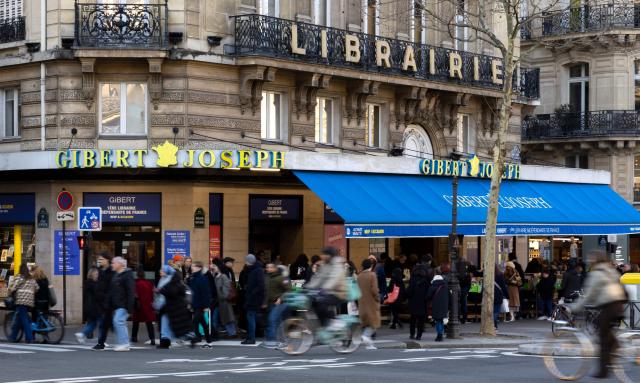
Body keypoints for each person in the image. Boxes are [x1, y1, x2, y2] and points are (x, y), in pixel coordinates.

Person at [569, 251, 627, 379]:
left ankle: (603, 371)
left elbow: (589, 295)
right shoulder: (611, 270)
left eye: (591, 258)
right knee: (606, 332)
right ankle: (615, 344)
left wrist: (574, 308)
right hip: (619, 306)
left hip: (608, 307)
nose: (589, 260)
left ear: (596, 260)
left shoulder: (595, 274)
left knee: (602, 338)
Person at [305, 247, 347, 329]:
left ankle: (334, 321)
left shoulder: (337, 264)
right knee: (314, 302)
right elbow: (318, 278)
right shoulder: (324, 265)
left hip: (338, 293)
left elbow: (334, 278)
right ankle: (324, 326)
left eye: (325, 254)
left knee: (322, 303)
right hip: (327, 292)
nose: (322, 256)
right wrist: (307, 287)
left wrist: (324, 288)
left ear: (330, 255)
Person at [157, 265, 193, 349]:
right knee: (167, 323)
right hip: (167, 305)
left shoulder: (169, 280)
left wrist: (161, 292)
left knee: (169, 323)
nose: (160, 271)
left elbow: (170, 292)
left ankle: (167, 341)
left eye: (162, 270)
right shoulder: (163, 279)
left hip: (170, 305)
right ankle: (166, 340)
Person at [109, 256, 135, 351]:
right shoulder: (117, 275)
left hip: (123, 304)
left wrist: (130, 307)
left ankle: (124, 343)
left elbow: (130, 291)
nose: (112, 264)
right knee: (120, 322)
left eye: (113, 263)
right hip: (118, 304)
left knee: (118, 321)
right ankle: (124, 342)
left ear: (120, 264)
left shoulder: (127, 275)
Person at [8, 264, 39, 343]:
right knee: (19, 318)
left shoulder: (19, 277)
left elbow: (13, 287)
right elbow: (37, 288)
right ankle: (12, 337)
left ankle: (30, 338)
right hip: (30, 302)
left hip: (21, 301)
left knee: (24, 320)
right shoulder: (31, 278)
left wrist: (10, 293)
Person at [262, 262, 290, 348]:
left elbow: (289, 289)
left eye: (270, 267)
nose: (268, 269)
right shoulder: (267, 277)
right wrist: (265, 303)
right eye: (267, 267)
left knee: (272, 319)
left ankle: (272, 341)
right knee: (278, 322)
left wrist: (281, 298)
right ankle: (283, 340)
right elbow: (266, 292)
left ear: (275, 269)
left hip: (280, 303)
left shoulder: (281, 278)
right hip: (271, 303)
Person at [188, 261, 215, 348]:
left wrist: (206, 306)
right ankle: (209, 341)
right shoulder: (193, 278)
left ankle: (196, 338)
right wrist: (190, 304)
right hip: (195, 304)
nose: (192, 267)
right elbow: (191, 292)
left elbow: (206, 293)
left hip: (201, 305)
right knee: (203, 323)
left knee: (195, 321)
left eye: (193, 266)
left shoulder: (202, 278)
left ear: (199, 268)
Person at [92, 252, 114, 351]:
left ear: (107, 260)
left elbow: (111, 287)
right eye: (99, 259)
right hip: (100, 301)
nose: (99, 261)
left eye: (101, 259)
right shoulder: (100, 270)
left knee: (104, 324)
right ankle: (101, 343)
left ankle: (101, 343)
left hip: (108, 301)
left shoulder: (111, 271)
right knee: (106, 323)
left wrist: (106, 298)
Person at [242, 254, 265, 345]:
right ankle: (249, 337)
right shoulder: (254, 269)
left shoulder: (257, 270)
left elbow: (260, 285)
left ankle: (251, 338)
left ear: (249, 261)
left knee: (250, 317)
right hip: (251, 298)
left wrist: (252, 292)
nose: (245, 262)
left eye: (246, 261)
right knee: (250, 317)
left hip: (254, 299)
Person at [209, 262, 236, 338]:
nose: (213, 267)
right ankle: (215, 334)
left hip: (223, 301)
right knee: (216, 318)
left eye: (215, 266)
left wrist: (222, 295)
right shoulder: (215, 275)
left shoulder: (223, 276)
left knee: (227, 317)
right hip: (217, 301)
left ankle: (232, 333)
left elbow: (226, 289)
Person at [357, 259, 380, 349]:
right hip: (371, 303)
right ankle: (365, 336)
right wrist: (378, 298)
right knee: (374, 323)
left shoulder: (359, 276)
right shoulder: (372, 275)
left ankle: (369, 344)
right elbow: (374, 290)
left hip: (362, 302)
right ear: (371, 266)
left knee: (366, 323)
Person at [76, 268, 101, 343]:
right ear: (92, 274)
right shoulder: (93, 284)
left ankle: (83, 334)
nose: (97, 275)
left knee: (92, 323)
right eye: (96, 274)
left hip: (90, 307)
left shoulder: (88, 283)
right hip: (94, 307)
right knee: (100, 324)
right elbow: (97, 295)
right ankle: (101, 340)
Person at [131, 268, 155, 346]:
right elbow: (152, 295)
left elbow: (135, 295)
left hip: (139, 306)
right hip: (147, 305)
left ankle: (134, 337)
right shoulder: (149, 283)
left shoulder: (136, 283)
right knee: (149, 323)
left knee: (136, 322)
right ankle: (152, 339)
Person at [406, 264, 429, 340]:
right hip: (422, 303)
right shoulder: (426, 281)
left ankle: (412, 334)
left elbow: (409, 292)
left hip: (413, 302)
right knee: (421, 321)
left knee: (413, 319)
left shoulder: (412, 280)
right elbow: (428, 293)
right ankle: (419, 335)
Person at [427, 273, 449, 342]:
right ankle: (440, 333)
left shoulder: (433, 286)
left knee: (438, 321)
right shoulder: (446, 287)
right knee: (441, 320)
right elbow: (450, 297)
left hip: (436, 306)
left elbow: (428, 296)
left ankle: (439, 335)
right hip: (444, 306)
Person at [494, 266, 509, 330]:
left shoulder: (486, 275)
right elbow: (503, 287)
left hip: (489, 295)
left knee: (491, 311)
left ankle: (493, 324)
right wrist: (507, 296)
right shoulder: (500, 275)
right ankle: (494, 325)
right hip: (498, 295)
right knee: (496, 311)